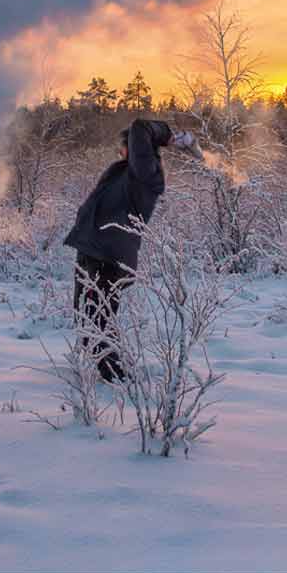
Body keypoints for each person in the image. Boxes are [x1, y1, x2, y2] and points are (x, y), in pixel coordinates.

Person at [62, 118, 196, 381]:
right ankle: (112, 371)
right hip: (92, 252)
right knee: (86, 317)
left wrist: (168, 136)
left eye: (125, 147)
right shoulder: (124, 174)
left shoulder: (144, 174)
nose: (121, 152)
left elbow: (140, 126)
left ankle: (116, 377)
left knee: (95, 319)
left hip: (107, 258)